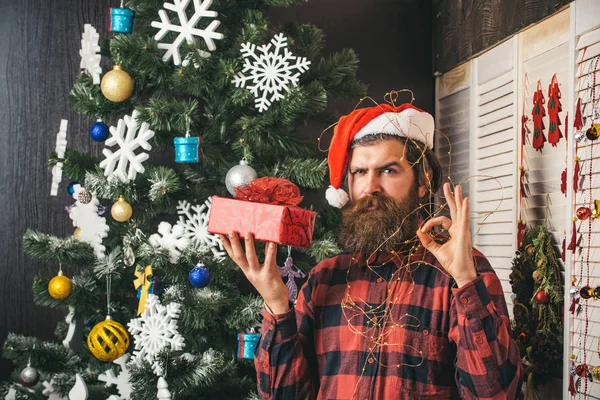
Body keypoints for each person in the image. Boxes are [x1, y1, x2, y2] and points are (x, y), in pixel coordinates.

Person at [219, 103, 522, 399]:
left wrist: (466, 281)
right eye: (360, 172)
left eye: (389, 170)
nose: (370, 187)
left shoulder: (463, 271)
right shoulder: (324, 278)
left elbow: (496, 394)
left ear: (423, 181)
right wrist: (276, 303)